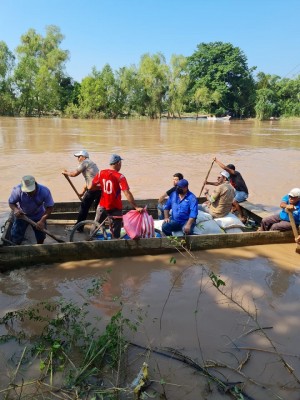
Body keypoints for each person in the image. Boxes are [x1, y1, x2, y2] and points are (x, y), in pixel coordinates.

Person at [88, 154, 143, 239]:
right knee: (116, 230)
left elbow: (91, 187)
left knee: (96, 223)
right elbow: (127, 192)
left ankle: (91, 237)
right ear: (118, 163)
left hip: (103, 204)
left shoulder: (100, 173)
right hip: (115, 207)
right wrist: (135, 206)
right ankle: (115, 241)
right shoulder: (120, 177)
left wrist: (101, 187)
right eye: (120, 163)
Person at [8, 175, 54, 245]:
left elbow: (50, 207)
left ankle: (39, 246)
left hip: (39, 216)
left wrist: (42, 221)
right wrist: (15, 209)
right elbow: (11, 203)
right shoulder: (17, 189)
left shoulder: (44, 191)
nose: (29, 193)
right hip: (22, 215)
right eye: (26, 191)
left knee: (41, 236)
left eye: (31, 191)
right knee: (16, 236)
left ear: (35, 184)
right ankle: (16, 247)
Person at [62, 150, 101, 229]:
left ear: (84, 157)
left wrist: (66, 173)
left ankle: (78, 228)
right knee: (98, 209)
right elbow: (89, 180)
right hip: (100, 190)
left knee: (83, 208)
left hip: (93, 190)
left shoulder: (85, 162)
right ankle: (98, 226)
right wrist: (82, 193)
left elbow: (74, 174)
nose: (78, 159)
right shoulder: (92, 164)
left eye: (79, 157)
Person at [206, 157, 249, 222]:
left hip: (243, 193)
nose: (226, 171)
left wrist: (216, 161)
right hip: (236, 191)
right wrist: (208, 183)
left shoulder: (236, 174)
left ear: (231, 170)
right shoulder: (228, 177)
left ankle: (242, 217)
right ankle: (233, 209)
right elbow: (218, 183)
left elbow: (225, 168)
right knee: (228, 198)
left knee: (234, 201)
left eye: (228, 170)